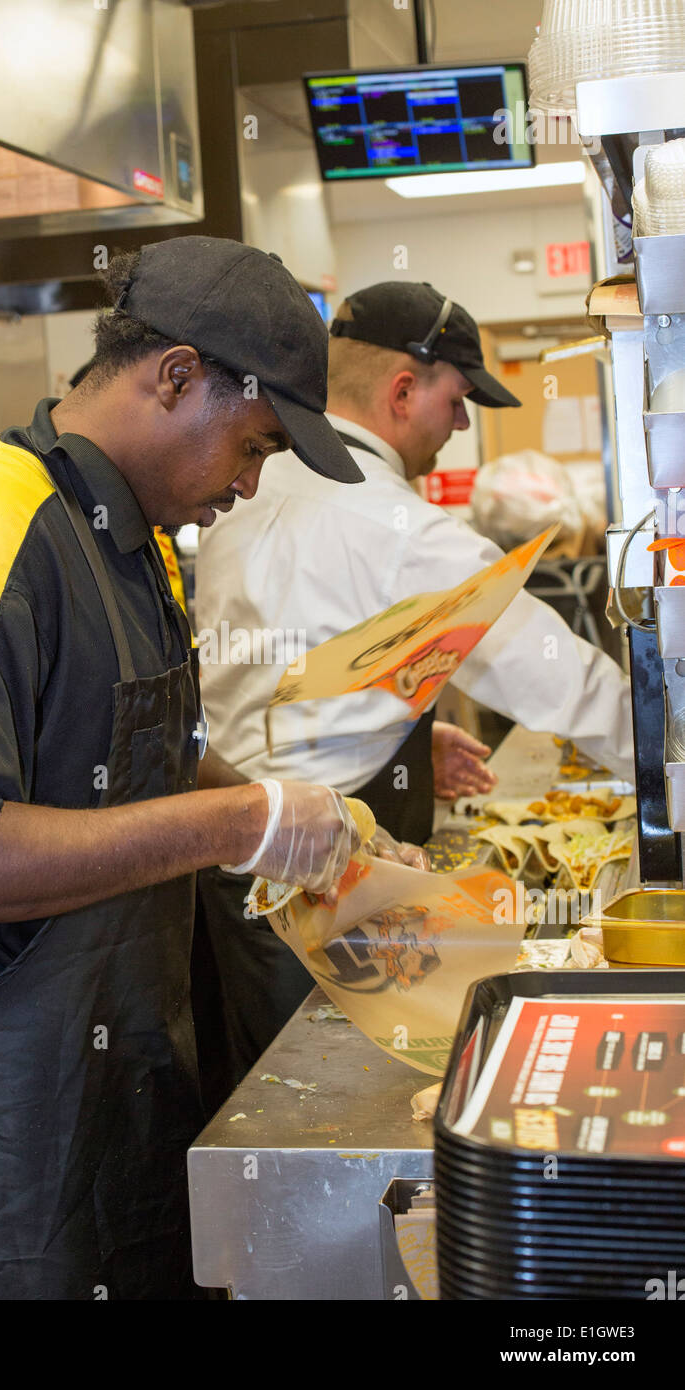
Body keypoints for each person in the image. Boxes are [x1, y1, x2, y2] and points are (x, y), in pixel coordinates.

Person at [0, 236, 367, 1302]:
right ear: (174, 378)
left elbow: (139, 753)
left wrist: (294, 814)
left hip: (85, 1072)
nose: (249, 487)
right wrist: (238, 826)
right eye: (252, 446)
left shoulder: (135, 536)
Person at [194, 279, 634, 1089]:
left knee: (267, 1085)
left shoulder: (250, 485)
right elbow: (563, 680)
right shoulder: (394, 525)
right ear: (403, 391)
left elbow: (266, 663)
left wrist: (392, 718)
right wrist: (667, 766)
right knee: (343, 1099)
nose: (461, 425)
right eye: (459, 400)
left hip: (230, 875)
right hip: (319, 891)